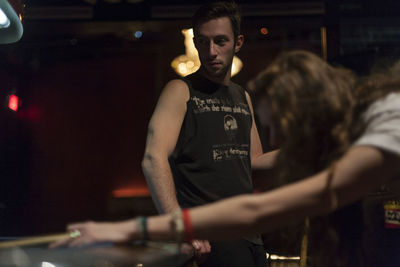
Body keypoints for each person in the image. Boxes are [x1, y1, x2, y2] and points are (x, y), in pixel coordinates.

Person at [51, 51, 400, 266]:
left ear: (307, 114)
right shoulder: (349, 136)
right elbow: (254, 212)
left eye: (285, 127)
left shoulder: (383, 120)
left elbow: (255, 211)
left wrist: (125, 228)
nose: (291, 144)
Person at [139, 2, 275, 266]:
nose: (211, 51)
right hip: (207, 240)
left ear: (238, 43)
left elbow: (253, 159)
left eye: (220, 41)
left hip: (248, 236)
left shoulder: (242, 96)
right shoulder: (180, 90)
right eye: (203, 42)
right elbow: (152, 159)